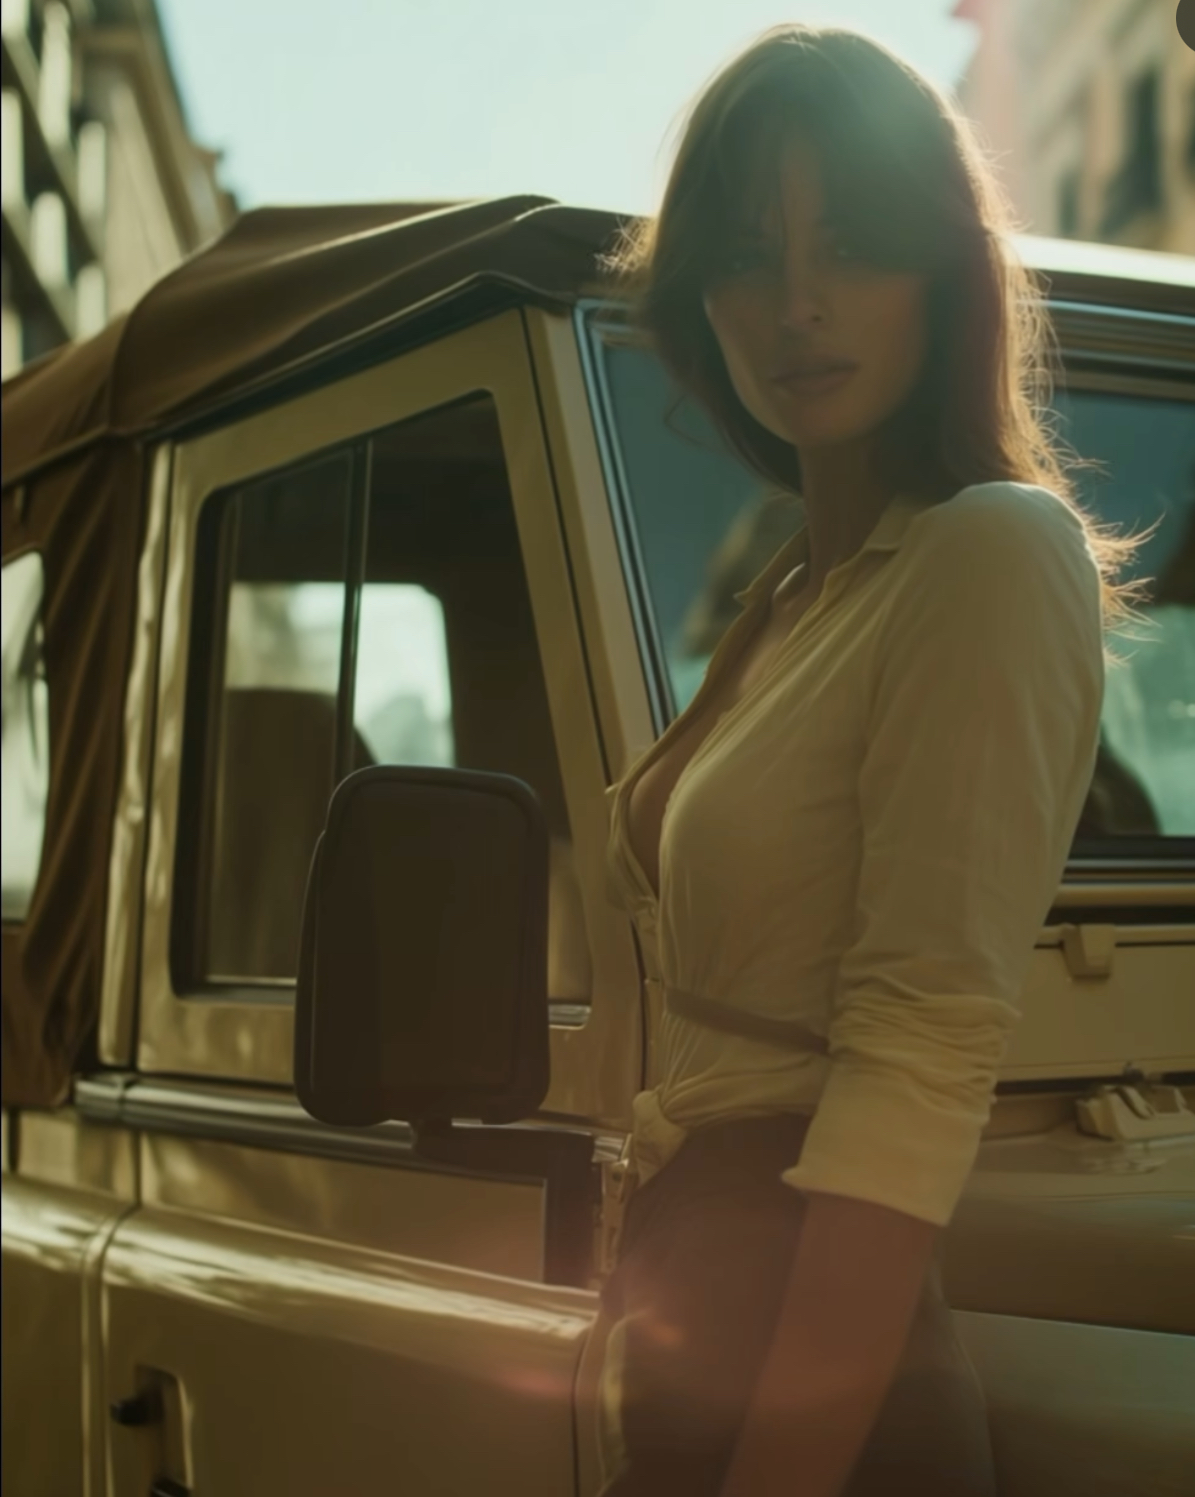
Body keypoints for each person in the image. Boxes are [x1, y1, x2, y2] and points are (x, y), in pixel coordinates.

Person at [593, 24, 1137, 1497]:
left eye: (852, 244)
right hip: (695, 1311)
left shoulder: (991, 550)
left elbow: (916, 1056)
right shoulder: (793, 589)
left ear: (942, 270)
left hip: (822, 1377)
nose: (799, 305)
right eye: (749, 254)